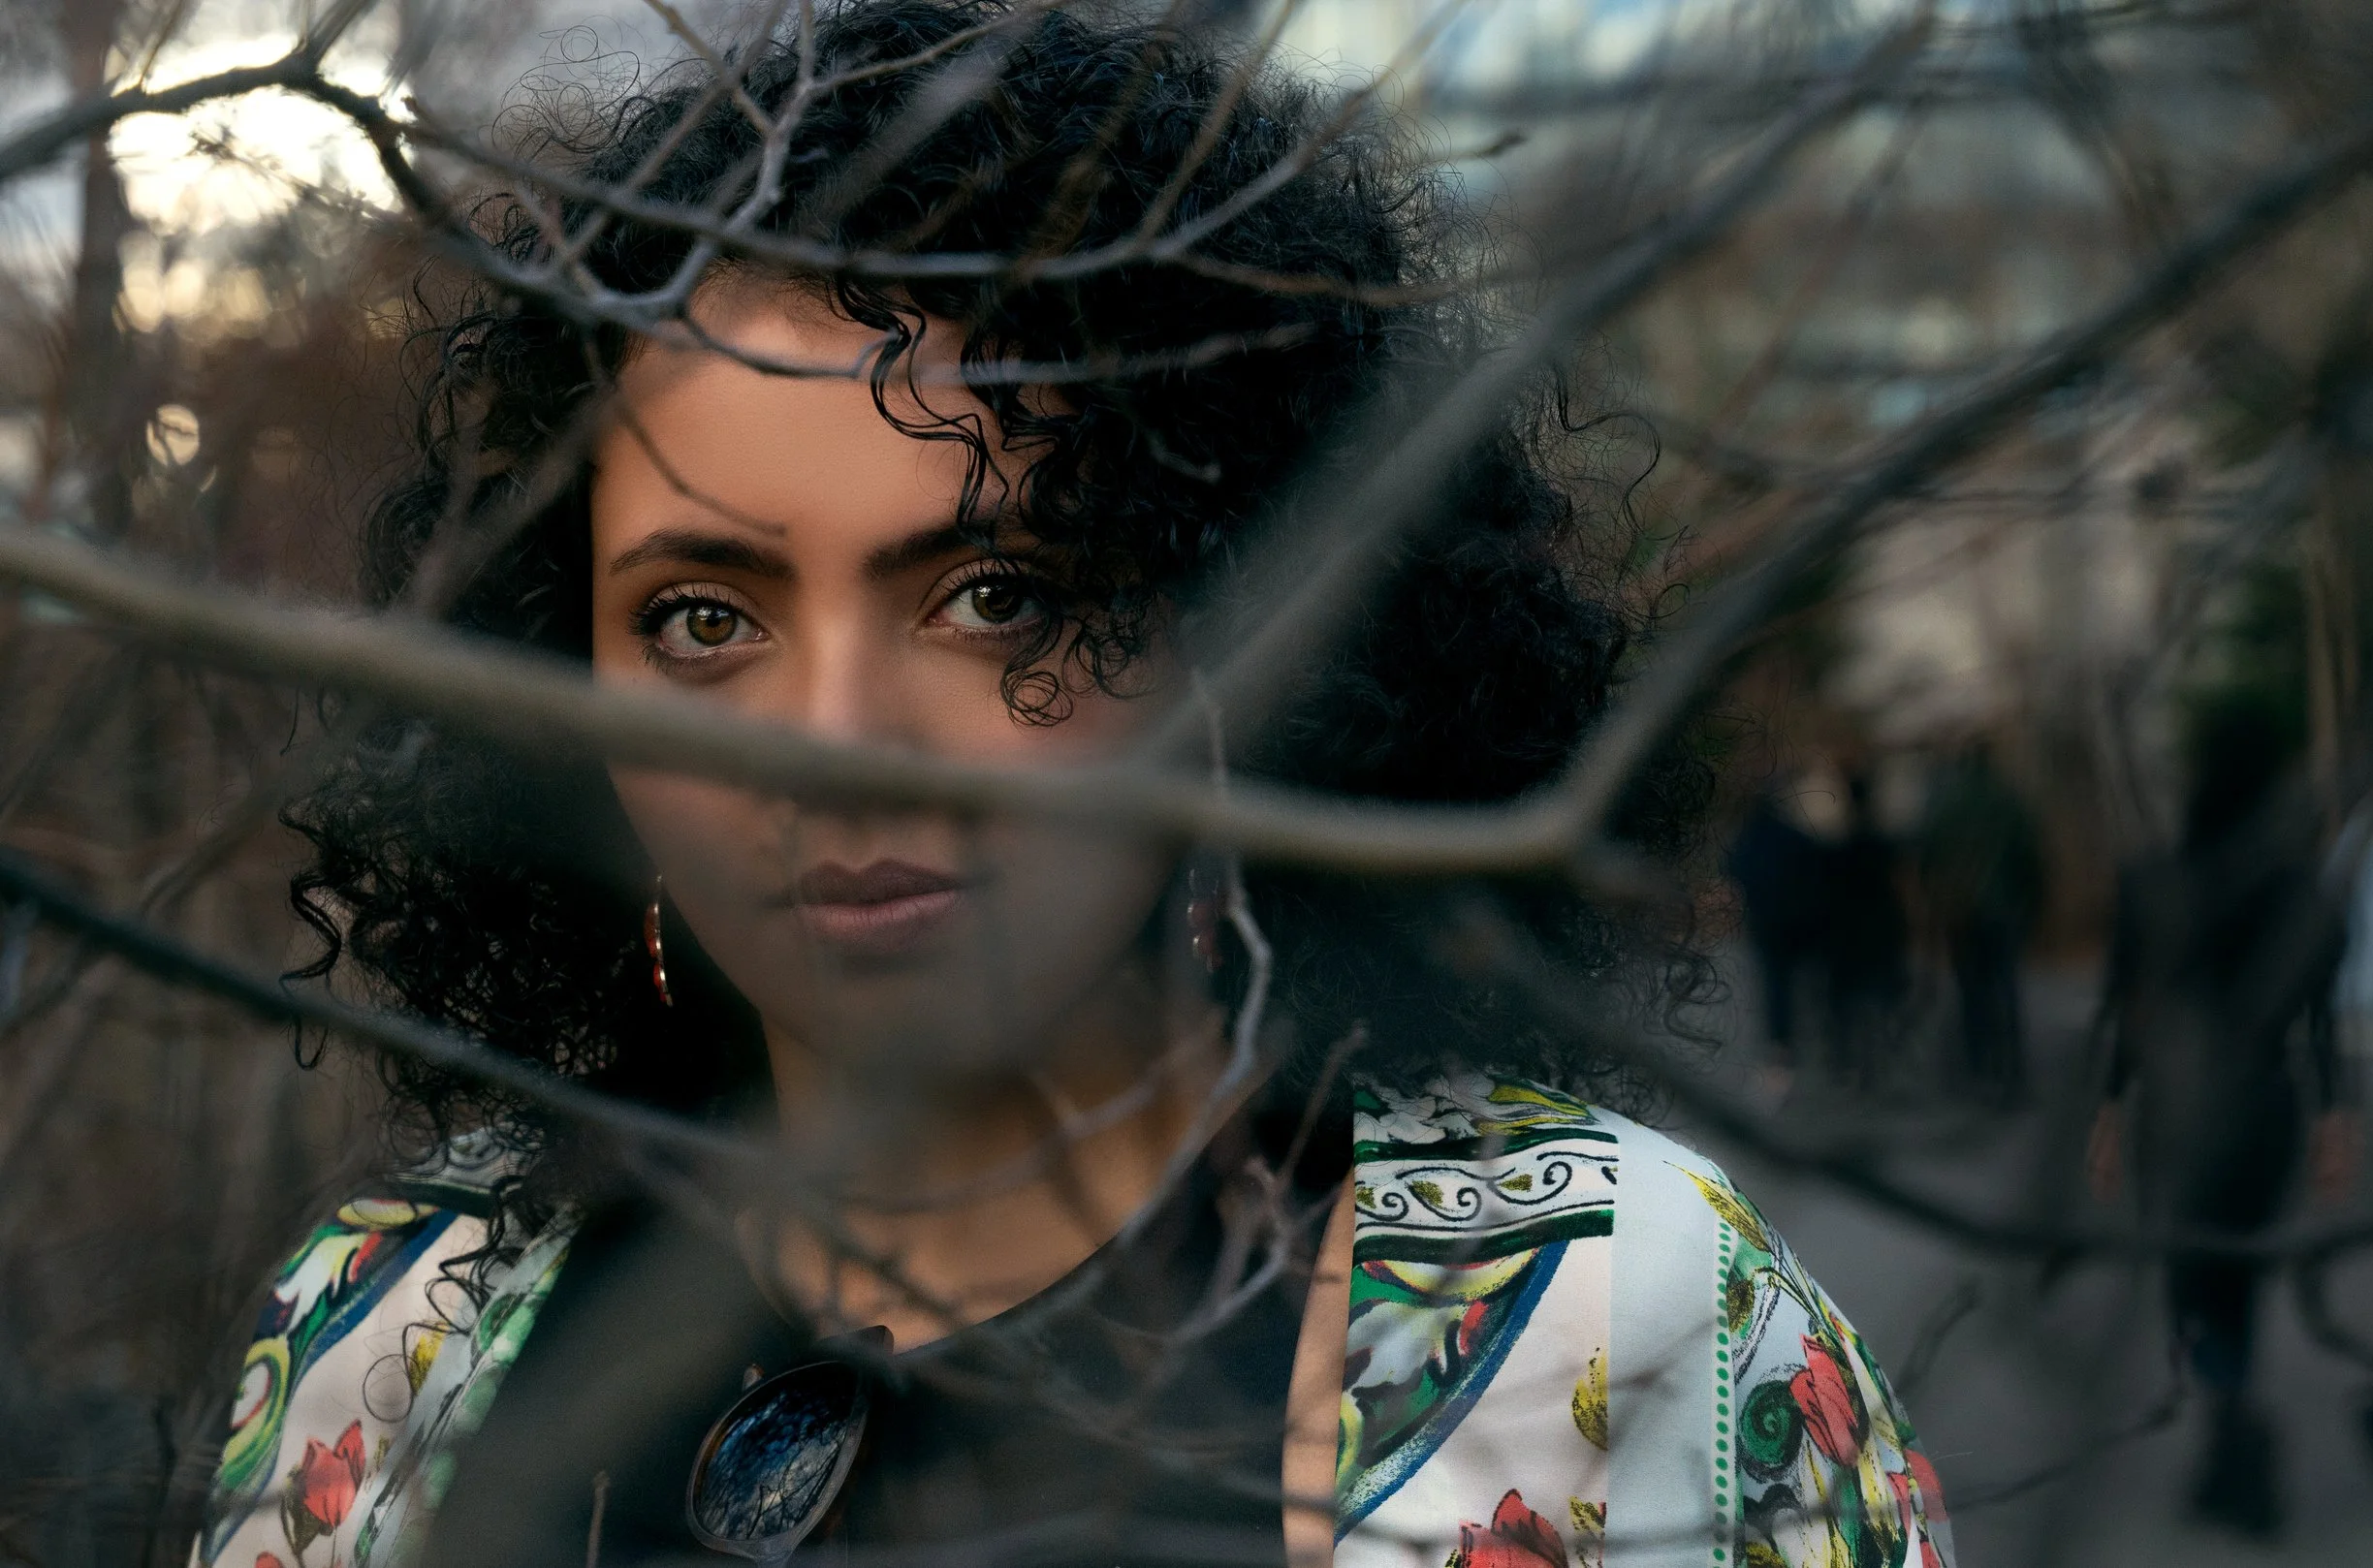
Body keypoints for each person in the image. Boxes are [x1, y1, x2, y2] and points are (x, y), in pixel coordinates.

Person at [189, 9, 1953, 1568]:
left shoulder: (1616, 1321)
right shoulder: (390, 1334)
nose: (832, 740)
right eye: (704, 615)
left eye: (998, 596)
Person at [2086, 706, 2349, 1537]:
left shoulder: (2153, 880)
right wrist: (2334, 1117)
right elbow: (2325, 1018)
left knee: (2189, 1285)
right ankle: (2231, 1441)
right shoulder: (2301, 889)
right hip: (2266, 1108)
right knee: (2239, 1280)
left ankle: (2232, 1437)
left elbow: (2127, 1013)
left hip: (2178, 1108)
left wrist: (2108, 1112)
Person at [1914, 745, 2042, 1105]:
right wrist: (2029, 905)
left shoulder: (1947, 804)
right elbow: (2031, 856)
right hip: (2003, 910)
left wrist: (1936, 899)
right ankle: (2013, 1071)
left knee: (1972, 991)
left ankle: (1978, 1067)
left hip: (1962, 911)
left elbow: (1925, 851)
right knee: (2006, 990)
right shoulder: (2007, 802)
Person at [1725, 789, 1824, 1090]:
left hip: (1768, 924)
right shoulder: (1790, 835)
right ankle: (1799, 1037)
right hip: (1794, 922)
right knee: (1796, 981)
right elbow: (1815, 863)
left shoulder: (1748, 839)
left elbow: (1732, 869)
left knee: (1775, 985)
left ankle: (1781, 1042)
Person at [1821, 772, 1910, 1087]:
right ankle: (1878, 1060)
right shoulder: (1882, 845)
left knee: (1847, 1006)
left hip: (1848, 934)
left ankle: (1852, 1063)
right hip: (1878, 931)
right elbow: (1898, 889)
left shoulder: (1839, 847)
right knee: (1880, 1001)